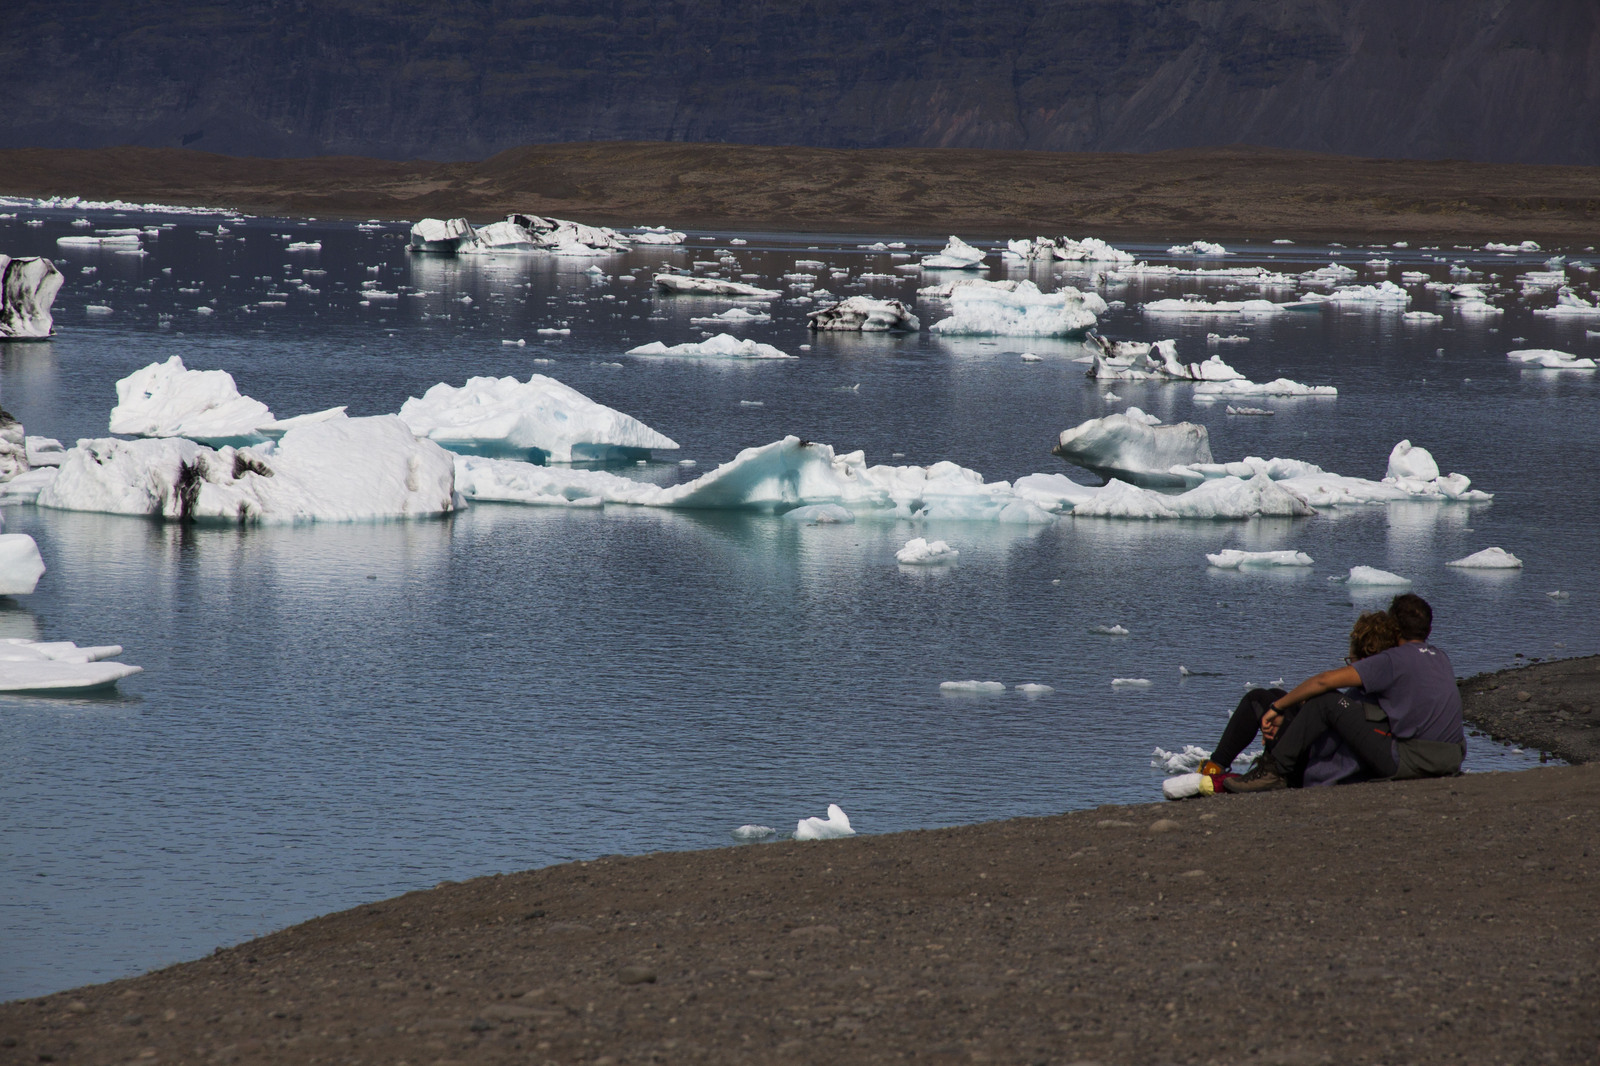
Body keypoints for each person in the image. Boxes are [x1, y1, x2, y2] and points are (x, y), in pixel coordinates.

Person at [1224, 593, 1466, 793]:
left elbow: (1325, 681)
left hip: (1409, 761)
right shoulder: (1441, 657)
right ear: (1429, 628)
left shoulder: (1394, 660)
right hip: (1452, 758)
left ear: (1394, 628)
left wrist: (1278, 707)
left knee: (1326, 702)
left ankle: (1273, 772)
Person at [1204, 610, 1400, 787]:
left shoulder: (1367, 683)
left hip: (1317, 766)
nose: (1349, 667)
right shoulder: (1390, 685)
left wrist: (1288, 719)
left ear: (1364, 662)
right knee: (1276, 696)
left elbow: (1329, 722)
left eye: (1351, 662)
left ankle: (1213, 770)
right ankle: (1215, 768)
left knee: (1257, 700)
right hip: (1336, 753)